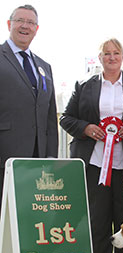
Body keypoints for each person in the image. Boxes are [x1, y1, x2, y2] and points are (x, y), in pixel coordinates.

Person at [60, 38, 123, 253]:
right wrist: (86, 128)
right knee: (97, 220)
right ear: (99, 58)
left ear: (122, 56)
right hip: (95, 164)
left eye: (116, 53)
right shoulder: (84, 86)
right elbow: (66, 118)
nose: (111, 57)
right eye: (106, 53)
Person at [0, 4, 58, 208]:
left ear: (36, 29)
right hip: (5, 156)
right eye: (20, 21)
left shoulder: (44, 67)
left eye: (31, 22)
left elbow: (50, 117)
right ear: (9, 24)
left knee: (28, 215)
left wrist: (51, 156)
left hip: (38, 160)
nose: (25, 26)